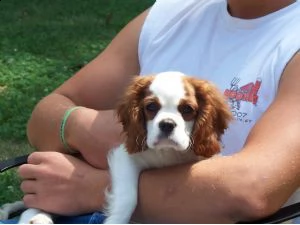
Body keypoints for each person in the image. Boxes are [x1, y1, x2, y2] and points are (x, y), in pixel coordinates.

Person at [6, 0, 300, 223]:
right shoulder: (172, 12)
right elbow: (44, 115)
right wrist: (81, 127)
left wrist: (92, 189)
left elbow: (252, 191)